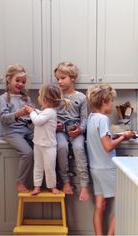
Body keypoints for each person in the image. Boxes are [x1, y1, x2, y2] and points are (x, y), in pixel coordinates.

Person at [86, 84, 135, 236]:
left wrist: (119, 135)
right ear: (105, 101)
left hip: (95, 168)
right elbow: (107, 146)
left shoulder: (91, 118)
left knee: (100, 205)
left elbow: (101, 139)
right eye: (111, 101)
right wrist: (123, 137)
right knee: (122, 204)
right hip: (107, 168)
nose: (112, 104)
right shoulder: (103, 119)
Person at [25, 84, 70, 195]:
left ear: (45, 99)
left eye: (40, 95)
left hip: (49, 146)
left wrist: (31, 112)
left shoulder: (50, 112)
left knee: (49, 168)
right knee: (38, 166)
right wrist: (33, 109)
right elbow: (40, 114)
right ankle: (37, 187)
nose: (38, 97)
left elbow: (37, 121)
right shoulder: (46, 111)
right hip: (38, 144)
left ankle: (52, 186)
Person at [54, 61, 90, 201]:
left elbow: (85, 118)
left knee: (79, 148)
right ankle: (66, 182)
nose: (59, 81)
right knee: (61, 147)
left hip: (76, 130)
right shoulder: (56, 95)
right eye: (58, 79)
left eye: (63, 78)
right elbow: (50, 114)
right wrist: (55, 125)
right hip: (60, 131)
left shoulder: (81, 97)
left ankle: (84, 185)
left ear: (73, 78)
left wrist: (80, 129)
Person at [0, 64, 34, 192]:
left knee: (46, 144)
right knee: (28, 152)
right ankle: (20, 182)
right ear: (9, 79)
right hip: (12, 132)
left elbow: (30, 119)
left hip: (27, 130)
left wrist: (32, 115)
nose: (20, 84)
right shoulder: (3, 98)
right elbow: (4, 119)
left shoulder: (26, 98)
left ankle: (46, 182)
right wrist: (18, 114)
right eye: (17, 80)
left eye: (23, 82)